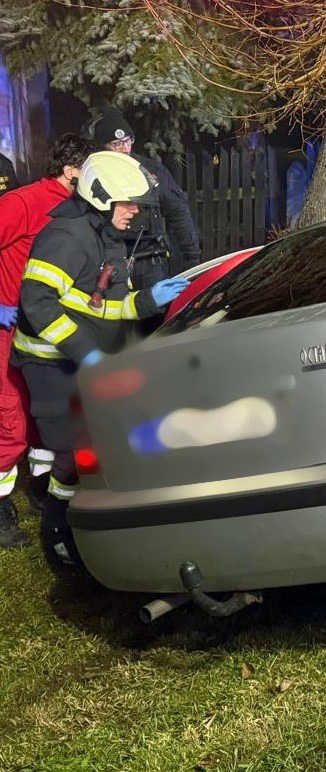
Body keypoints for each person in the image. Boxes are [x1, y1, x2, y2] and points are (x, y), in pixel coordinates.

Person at [13, 151, 188, 569]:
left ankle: (86, 520)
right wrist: (85, 352)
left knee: (96, 445)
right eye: (128, 203)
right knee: (71, 453)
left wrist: (148, 300)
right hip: (48, 362)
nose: (134, 211)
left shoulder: (106, 235)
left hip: (78, 359)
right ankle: (57, 531)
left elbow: (103, 306)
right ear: (100, 198)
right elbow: (38, 304)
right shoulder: (66, 237)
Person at [0, 134, 98, 549]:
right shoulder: (22, 204)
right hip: (6, 331)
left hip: (44, 330)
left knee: (48, 415)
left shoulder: (79, 209)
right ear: (71, 170)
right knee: (10, 421)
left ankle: (42, 489)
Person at [87, 107, 202, 288]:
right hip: (109, 263)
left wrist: (192, 257)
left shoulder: (151, 170)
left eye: (128, 141)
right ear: (103, 146)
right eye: (116, 144)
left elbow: (178, 212)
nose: (125, 148)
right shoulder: (92, 175)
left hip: (151, 263)